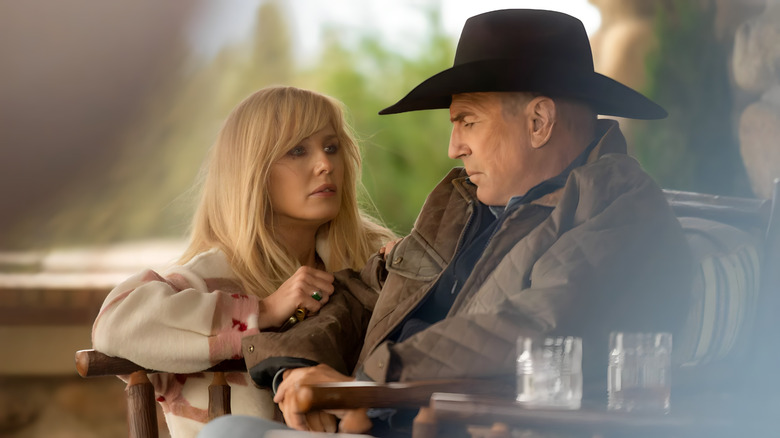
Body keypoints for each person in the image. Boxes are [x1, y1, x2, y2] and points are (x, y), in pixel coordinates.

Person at [199, 9, 693, 437]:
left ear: (539, 121)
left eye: (467, 121)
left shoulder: (616, 210)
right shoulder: (462, 202)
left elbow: (534, 327)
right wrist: (295, 368)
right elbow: (361, 292)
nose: (453, 147)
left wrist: (365, 386)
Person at [91, 86, 396, 438]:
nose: (325, 164)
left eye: (331, 147)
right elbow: (113, 324)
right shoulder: (204, 282)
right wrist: (261, 312)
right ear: (251, 171)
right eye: (297, 150)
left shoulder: (369, 265)